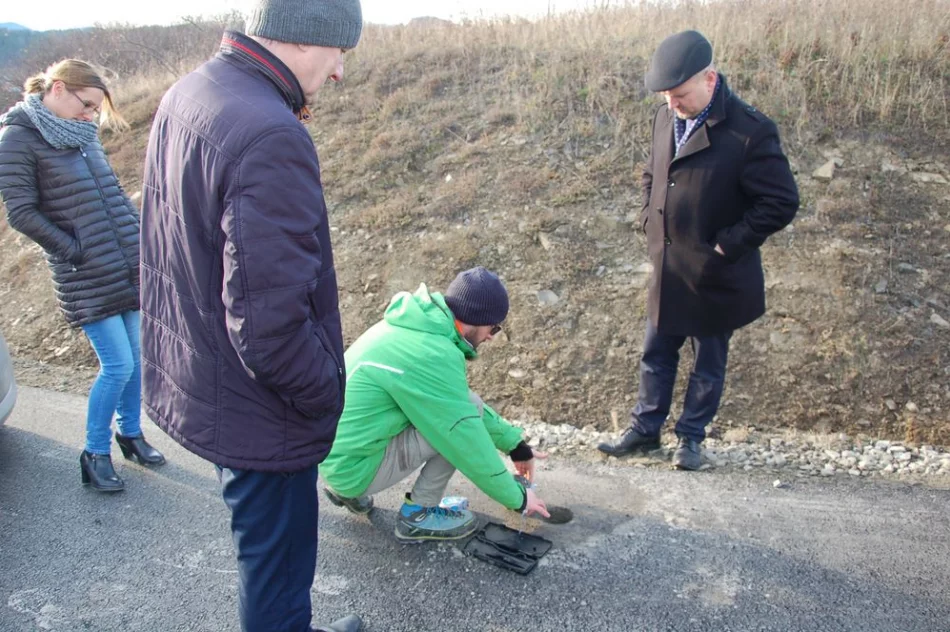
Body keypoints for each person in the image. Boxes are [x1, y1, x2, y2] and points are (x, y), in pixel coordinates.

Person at [139, 1, 363, 630]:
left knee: (264, 558)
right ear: (303, 38)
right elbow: (270, 330)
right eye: (340, 51)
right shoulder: (270, 133)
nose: (341, 71)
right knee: (277, 571)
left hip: (209, 375)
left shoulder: (194, 91)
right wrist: (325, 394)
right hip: (263, 409)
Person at [598, 30, 799, 470]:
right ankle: (645, 430)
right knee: (655, 351)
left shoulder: (750, 131)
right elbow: (653, 174)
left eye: (680, 94)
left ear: (710, 79)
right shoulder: (663, 119)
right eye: (667, 96)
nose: (673, 104)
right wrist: (650, 220)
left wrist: (729, 245)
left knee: (707, 363)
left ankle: (690, 438)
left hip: (715, 271)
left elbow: (781, 202)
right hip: (669, 264)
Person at [0, 59, 165, 493]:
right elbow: (21, 213)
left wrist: (138, 239)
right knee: (118, 366)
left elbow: (110, 195)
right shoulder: (17, 137)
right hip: (83, 272)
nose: (91, 114)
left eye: (95, 109)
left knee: (136, 362)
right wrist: (74, 250)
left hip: (124, 262)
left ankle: (130, 434)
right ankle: (94, 454)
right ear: (57, 88)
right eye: (86, 104)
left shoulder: (82, 135)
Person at [320, 267, 550, 542]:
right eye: (494, 327)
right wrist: (519, 498)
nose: (491, 336)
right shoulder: (432, 353)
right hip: (352, 468)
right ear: (476, 319)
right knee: (453, 431)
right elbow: (464, 437)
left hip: (333, 454)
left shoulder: (412, 327)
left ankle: (346, 492)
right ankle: (418, 514)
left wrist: (515, 444)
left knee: (460, 411)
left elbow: (458, 402)